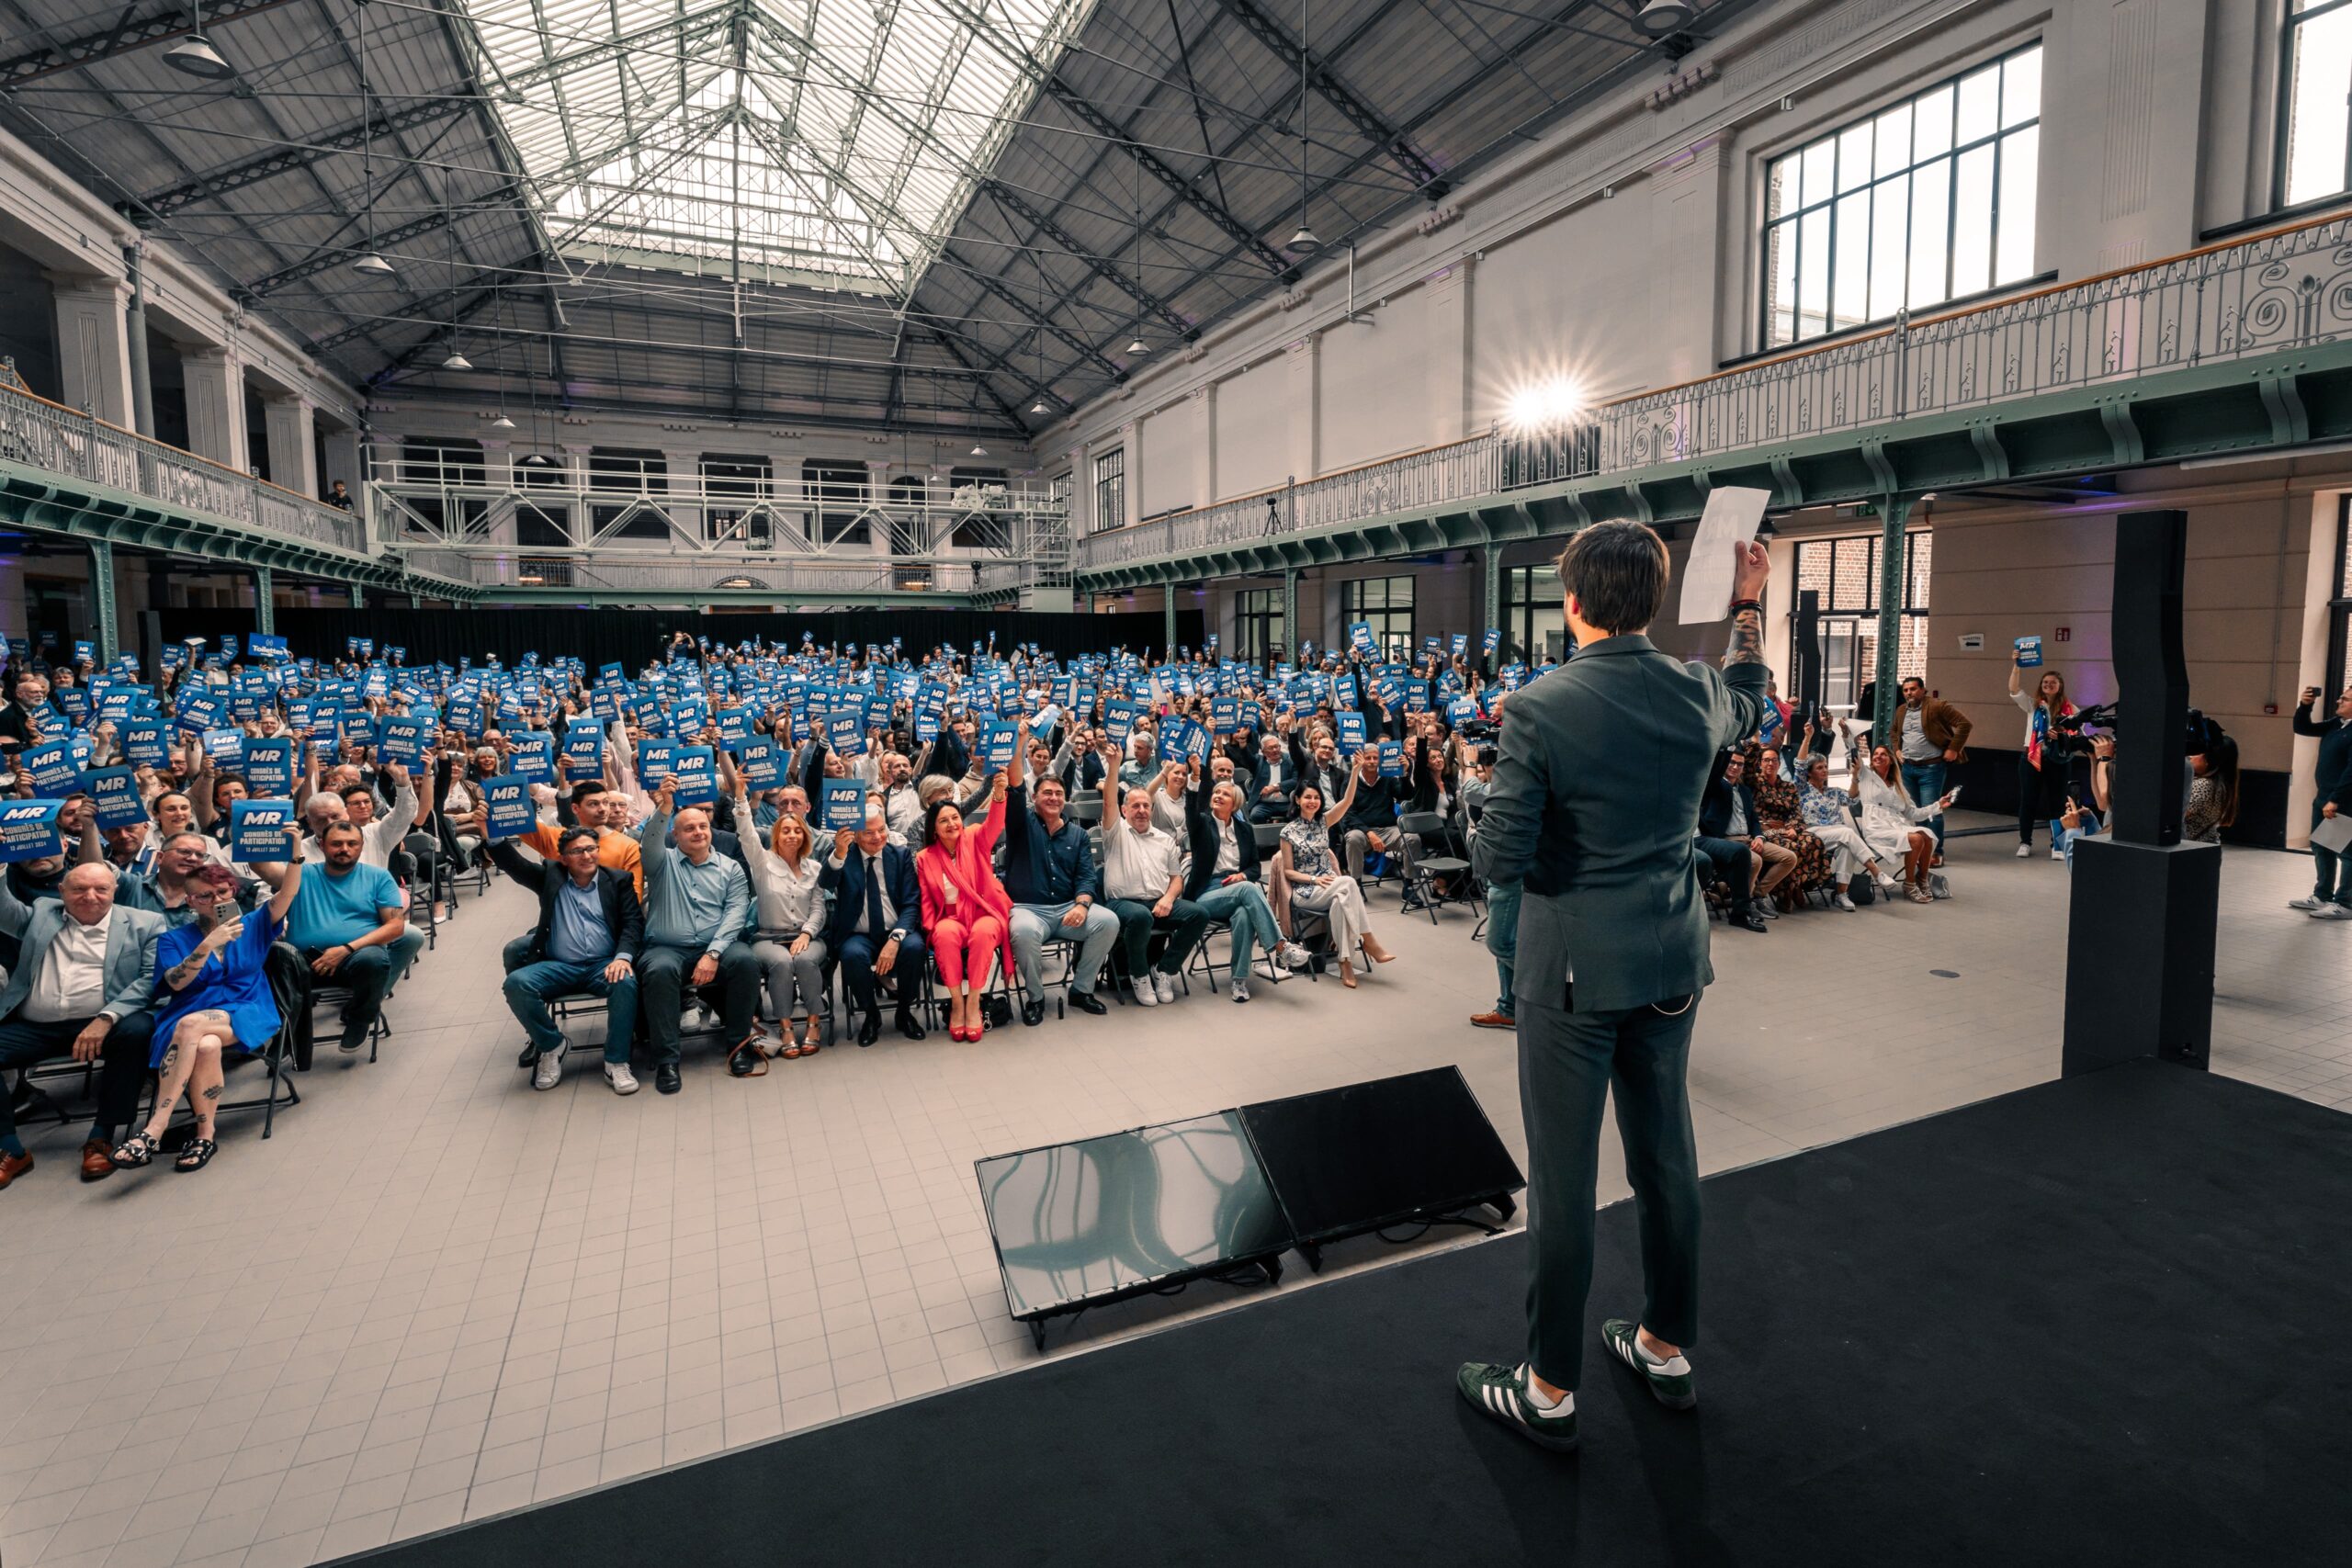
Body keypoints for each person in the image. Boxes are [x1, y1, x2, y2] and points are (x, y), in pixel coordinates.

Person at [1459, 521, 1772, 1449]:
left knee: (1563, 1183)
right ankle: (1664, 1346)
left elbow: (1498, 863)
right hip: (1671, 958)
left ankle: (1548, 1390)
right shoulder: (1695, 690)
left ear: (1574, 603)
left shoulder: (1539, 708)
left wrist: (1487, 804)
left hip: (1569, 977)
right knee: (1667, 1160)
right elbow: (1752, 699)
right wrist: (1749, 605)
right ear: (1651, 601)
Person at [107, 831, 303, 1176]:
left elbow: (287, 892)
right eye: (205, 896)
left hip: (247, 1007)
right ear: (190, 901)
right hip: (191, 1011)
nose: (216, 900)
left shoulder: (254, 923)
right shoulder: (173, 939)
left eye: (223, 893)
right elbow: (176, 983)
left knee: (191, 1027)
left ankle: (154, 1129)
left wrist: (296, 852)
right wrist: (207, 946)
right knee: (207, 1044)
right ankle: (205, 1134)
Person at [0, 863, 164, 1189]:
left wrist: (105, 1019)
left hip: (104, 1022)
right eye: (79, 889)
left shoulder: (145, 923)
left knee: (136, 1032)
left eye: (101, 889)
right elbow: (4, 913)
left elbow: (150, 980)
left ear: (114, 891)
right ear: (62, 892)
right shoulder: (43, 912)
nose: (90, 897)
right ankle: (10, 1147)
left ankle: (102, 1136)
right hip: (38, 1026)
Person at [490, 826, 643, 1094]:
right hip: (559, 965)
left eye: (591, 849)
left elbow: (633, 924)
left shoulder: (618, 880)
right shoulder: (550, 877)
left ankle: (616, 1061)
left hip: (603, 963)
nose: (586, 856)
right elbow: (515, 865)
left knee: (625, 982)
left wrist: (622, 957)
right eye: (577, 851)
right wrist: (491, 836)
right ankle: (552, 1045)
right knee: (516, 983)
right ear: (563, 858)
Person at [634, 780, 759, 1091]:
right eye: (689, 828)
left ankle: (739, 1046)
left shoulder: (730, 868)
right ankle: (667, 1061)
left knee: (744, 960)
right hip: (667, 948)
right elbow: (649, 841)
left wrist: (713, 953)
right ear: (675, 836)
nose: (698, 832)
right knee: (659, 971)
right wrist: (664, 806)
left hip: (715, 945)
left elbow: (735, 913)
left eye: (702, 826)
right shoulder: (660, 862)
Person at [1159, 759, 1306, 1001]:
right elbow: (1191, 810)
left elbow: (1255, 868)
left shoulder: (1245, 829)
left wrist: (1243, 874)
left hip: (1237, 888)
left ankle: (1239, 981)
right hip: (1207, 893)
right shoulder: (1202, 824)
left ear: (1235, 803)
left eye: (1224, 794)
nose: (1218, 795)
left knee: (1244, 914)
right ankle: (1280, 946)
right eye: (1216, 792)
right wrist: (1197, 776)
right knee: (1248, 890)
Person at [1001, 736, 1117, 1024]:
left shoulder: (1077, 835)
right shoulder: (1021, 824)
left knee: (1108, 921)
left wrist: (1082, 904)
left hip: (1068, 908)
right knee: (1024, 933)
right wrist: (1017, 746)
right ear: (1035, 797)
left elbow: (1087, 877)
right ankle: (1036, 998)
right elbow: (1015, 789)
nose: (1053, 798)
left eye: (1058, 793)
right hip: (1028, 908)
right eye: (1047, 793)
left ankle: (1081, 990)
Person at [283, 821, 419, 1054]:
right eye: (336, 843)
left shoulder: (378, 877)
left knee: (374, 959)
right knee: (273, 958)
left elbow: (396, 926)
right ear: (322, 845)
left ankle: (359, 1020)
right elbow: (261, 868)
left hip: (354, 959)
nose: (344, 848)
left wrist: (346, 949)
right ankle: (285, 1034)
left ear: (361, 846)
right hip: (303, 962)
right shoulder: (301, 873)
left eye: (352, 843)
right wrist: (293, 848)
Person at [916, 773, 1014, 1042]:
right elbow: (926, 898)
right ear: (933, 828)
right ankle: (956, 1003)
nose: (951, 824)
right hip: (950, 917)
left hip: (983, 912)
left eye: (955, 818)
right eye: (943, 821)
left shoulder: (974, 838)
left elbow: (995, 823)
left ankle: (973, 1004)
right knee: (944, 935)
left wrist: (998, 794)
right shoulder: (925, 857)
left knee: (983, 935)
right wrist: (931, 927)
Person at [732, 791, 830, 1058]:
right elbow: (746, 833)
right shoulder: (761, 862)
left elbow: (818, 908)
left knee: (806, 960)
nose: (791, 836)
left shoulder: (815, 868)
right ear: (777, 835)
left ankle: (813, 1022)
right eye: (785, 830)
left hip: (806, 936)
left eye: (797, 831)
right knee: (782, 962)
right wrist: (741, 798)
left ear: (804, 836)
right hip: (768, 938)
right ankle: (785, 1027)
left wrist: (807, 934)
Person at [822, 805, 929, 1044]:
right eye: (869, 832)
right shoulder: (843, 854)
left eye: (882, 830)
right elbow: (826, 883)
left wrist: (895, 939)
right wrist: (839, 852)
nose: (878, 837)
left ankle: (904, 1012)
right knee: (851, 955)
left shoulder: (899, 855)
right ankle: (871, 1015)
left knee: (914, 948)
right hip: (858, 933)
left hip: (897, 928)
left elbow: (912, 903)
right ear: (856, 835)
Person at [1273, 779, 1392, 987]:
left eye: (1317, 797)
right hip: (1306, 890)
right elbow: (1289, 871)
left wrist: (1355, 771)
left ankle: (1345, 962)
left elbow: (1347, 801)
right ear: (1298, 800)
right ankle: (1369, 940)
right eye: (1308, 797)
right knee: (1347, 882)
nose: (1313, 801)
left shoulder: (1324, 822)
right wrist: (1314, 879)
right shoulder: (1288, 832)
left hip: (1332, 887)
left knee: (1340, 901)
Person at [1099, 784, 1209, 1006]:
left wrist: (1168, 899)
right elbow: (1108, 802)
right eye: (1135, 806)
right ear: (1124, 810)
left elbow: (1176, 878)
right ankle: (1139, 975)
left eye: (1146, 806)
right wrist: (1113, 764)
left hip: (1158, 901)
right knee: (1141, 917)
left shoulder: (1164, 840)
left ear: (1152, 809)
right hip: (1122, 903)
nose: (1141, 810)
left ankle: (1163, 969)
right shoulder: (1114, 833)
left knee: (1199, 914)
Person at [1698, 749, 1793, 928]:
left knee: (1788, 857)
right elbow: (1713, 776)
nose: (1735, 767)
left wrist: (1758, 836)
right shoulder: (1716, 786)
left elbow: (1754, 819)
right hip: (1726, 840)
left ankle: (1757, 895)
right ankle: (1744, 905)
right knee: (1754, 860)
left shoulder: (1744, 790)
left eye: (1739, 764)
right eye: (1732, 763)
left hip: (1749, 838)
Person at [1797, 753, 1900, 911]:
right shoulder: (1802, 789)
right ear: (1809, 772)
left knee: (1847, 848)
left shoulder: (1833, 792)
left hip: (1838, 835)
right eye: (1819, 768)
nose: (1825, 770)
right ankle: (1877, 873)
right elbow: (1799, 764)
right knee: (1847, 832)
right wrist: (1807, 738)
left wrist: (1855, 776)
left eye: (1825, 767)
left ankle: (1841, 895)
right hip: (1813, 833)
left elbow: (1851, 797)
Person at [1856, 744, 1952, 904]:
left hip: (1895, 826)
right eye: (1876, 754)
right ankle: (1909, 884)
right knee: (1916, 839)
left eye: (1883, 754)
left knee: (1927, 835)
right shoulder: (1866, 776)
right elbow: (1852, 752)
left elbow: (1912, 812)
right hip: (1875, 827)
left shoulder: (1898, 786)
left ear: (1891, 760)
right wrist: (1847, 733)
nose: (1878, 756)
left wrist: (1938, 805)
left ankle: (1921, 879)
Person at [1886, 676, 1970, 856]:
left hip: (1931, 768)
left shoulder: (1937, 706)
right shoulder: (1901, 710)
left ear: (1923, 690)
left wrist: (1953, 749)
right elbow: (1893, 731)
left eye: (1914, 689)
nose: (1910, 693)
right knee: (1915, 811)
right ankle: (1921, 848)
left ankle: (1936, 852)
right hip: (1908, 768)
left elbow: (1965, 724)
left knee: (1933, 810)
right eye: (1906, 690)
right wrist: (1897, 750)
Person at [2291, 684, 2352, 918]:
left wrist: (2335, 799)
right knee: (2322, 846)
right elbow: (2303, 728)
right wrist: (2305, 706)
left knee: (2346, 853)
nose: (2338, 702)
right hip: (2324, 797)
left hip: (2343, 801)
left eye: (2345, 700)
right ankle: (2322, 895)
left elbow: (2351, 771)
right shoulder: (2337, 725)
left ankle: (2345, 903)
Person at [2008, 654, 2076, 859]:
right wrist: (2016, 665)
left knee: (2057, 803)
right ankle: (2025, 842)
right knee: (2028, 800)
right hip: (2031, 759)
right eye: (2045, 682)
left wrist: (2062, 734)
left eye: (2053, 683)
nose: (2048, 685)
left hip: (2058, 761)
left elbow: (2078, 734)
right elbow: (2013, 689)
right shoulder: (2033, 705)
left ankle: (2057, 844)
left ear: (2060, 686)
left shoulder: (2070, 710)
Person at [2184, 734, 2240, 847]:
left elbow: (2177, 814)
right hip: (2205, 847)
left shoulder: (2204, 785)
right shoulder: (2221, 785)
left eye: (2198, 753)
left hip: (2193, 848)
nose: (2191, 756)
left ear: (2209, 760)